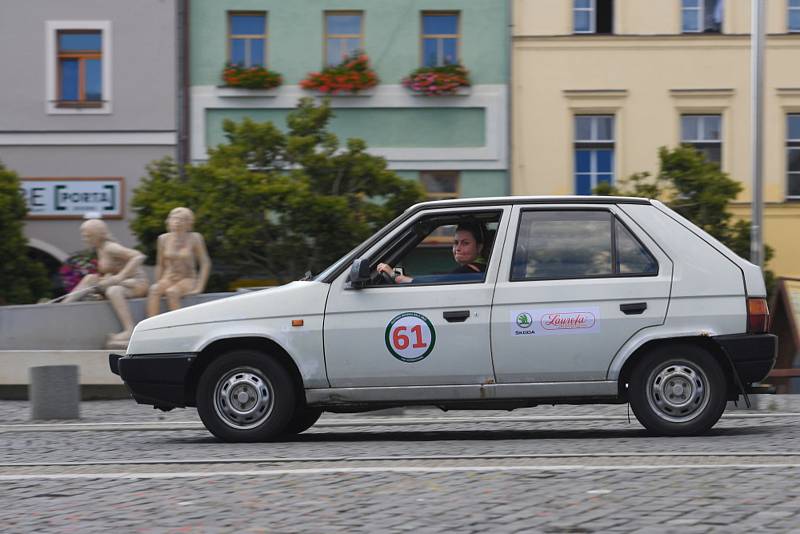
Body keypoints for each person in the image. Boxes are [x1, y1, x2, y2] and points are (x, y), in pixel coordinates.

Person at [62, 219, 149, 342]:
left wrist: (120, 277)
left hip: (136, 283)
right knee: (90, 278)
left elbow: (138, 256)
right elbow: (112, 268)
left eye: (88, 236)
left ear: (98, 235)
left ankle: (129, 329)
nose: (84, 239)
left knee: (114, 291)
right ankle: (64, 304)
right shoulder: (100, 248)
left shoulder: (111, 247)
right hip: (120, 282)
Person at [147, 207, 211, 317]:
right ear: (169, 221)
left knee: (172, 292)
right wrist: (159, 282)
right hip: (169, 277)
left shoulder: (195, 238)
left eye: (181, 219)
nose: (177, 222)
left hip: (187, 278)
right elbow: (160, 264)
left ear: (188, 222)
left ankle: (178, 325)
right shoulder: (163, 239)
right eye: (174, 219)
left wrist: (199, 287)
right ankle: (150, 325)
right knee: (154, 290)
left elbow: (205, 263)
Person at [376, 221, 486, 284]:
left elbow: (432, 285)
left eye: (465, 243)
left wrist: (394, 276)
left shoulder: (468, 272)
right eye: (456, 242)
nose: (458, 248)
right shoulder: (482, 269)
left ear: (479, 247)